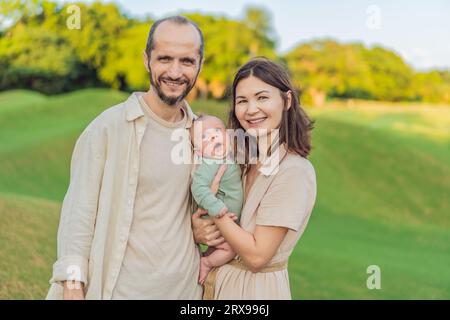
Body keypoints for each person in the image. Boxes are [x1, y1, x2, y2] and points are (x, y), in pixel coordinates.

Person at [46, 15, 216, 300]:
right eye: (164, 58)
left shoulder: (204, 136)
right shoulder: (108, 127)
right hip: (115, 291)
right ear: (147, 59)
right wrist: (73, 285)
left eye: (186, 61)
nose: (175, 72)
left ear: (200, 65)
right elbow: (78, 215)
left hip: (184, 292)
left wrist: (199, 226)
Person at [193, 58, 317, 299]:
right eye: (242, 101)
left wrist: (214, 208)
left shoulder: (293, 171)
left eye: (262, 97)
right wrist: (198, 230)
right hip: (219, 287)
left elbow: (257, 256)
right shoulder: (242, 161)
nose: (251, 109)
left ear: (287, 100)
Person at [190, 115, 243, 284]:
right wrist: (216, 207)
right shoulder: (209, 163)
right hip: (217, 216)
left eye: (217, 132)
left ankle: (206, 257)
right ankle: (207, 262)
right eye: (204, 137)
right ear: (199, 151)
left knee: (222, 246)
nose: (212, 137)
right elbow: (198, 188)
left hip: (226, 218)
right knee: (231, 248)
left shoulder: (229, 157)